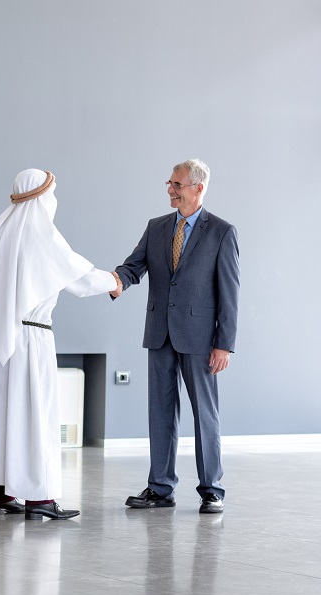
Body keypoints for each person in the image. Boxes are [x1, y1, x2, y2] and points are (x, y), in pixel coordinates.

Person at [0, 169, 121, 520]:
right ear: (42, 195)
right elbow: (78, 278)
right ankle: (40, 499)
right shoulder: (40, 234)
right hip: (31, 339)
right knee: (35, 415)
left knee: (3, 415)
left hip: (0, 341)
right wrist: (114, 280)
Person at [111, 159, 239, 514]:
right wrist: (117, 281)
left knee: (205, 415)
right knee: (161, 413)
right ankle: (160, 488)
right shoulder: (156, 227)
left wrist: (224, 343)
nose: (170, 189)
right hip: (159, 334)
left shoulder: (222, 232)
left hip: (201, 339)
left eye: (177, 184)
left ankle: (212, 489)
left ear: (198, 188)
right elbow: (134, 265)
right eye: (169, 183)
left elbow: (230, 292)